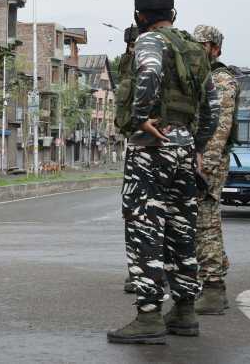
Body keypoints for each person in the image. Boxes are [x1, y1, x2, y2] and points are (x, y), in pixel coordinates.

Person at [108, 0, 218, 344]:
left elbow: (151, 71)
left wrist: (140, 118)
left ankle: (149, 315)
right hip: (184, 148)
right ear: (172, 12)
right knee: (181, 229)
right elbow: (212, 105)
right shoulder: (194, 50)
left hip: (151, 148)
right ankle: (184, 310)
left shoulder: (149, 40)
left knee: (145, 228)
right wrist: (197, 145)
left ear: (140, 16)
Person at [192, 25, 239, 315]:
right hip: (195, 158)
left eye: (203, 45)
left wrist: (205, 167)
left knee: (205, 222)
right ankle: (209, 279)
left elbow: (220, 128)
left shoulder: (222, 79)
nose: (198, 50)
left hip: (208, 162)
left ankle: (213, 287)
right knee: (199, 223)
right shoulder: (200, 77)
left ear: (215, 48)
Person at [117, 24, 139, 295]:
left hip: (157, 143)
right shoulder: (127, 63)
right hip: (138, 144)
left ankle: (149, 273)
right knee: (134, 213)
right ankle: (138, 270)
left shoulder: (164, 57)